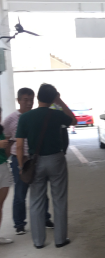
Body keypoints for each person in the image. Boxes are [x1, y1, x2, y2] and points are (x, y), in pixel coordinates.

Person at [16, 83, 75, 249]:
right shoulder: (56, 114)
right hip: (56, 160)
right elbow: (74, 120)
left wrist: (22, 166)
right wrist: (59, 101)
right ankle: (60, 239)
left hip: (36, 161)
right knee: (59, 199)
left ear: (38, 97)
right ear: (52, 98)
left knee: (36, 201)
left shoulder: (26, 118)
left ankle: (38, 241)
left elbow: (19, 146)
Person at [2, 87, 54, 235]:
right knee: (20, 194)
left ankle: (45, 218)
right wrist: (11, 158)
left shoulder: (35, 116)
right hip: (19, 161)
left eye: (31, 100)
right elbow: (5, 138)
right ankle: (19, 224)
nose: (29, 103)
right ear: (18, 101)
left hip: (36, 159)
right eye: (25, 100)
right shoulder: (11, 119)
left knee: (41, 192)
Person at [0, 107, 14, 244]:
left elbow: (6, 154)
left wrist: (8, 146)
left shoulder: (1, 130)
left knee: (0, 205)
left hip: (3, 167)